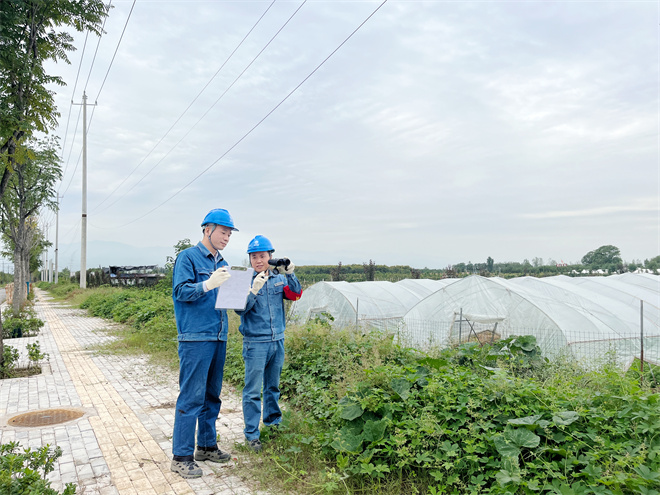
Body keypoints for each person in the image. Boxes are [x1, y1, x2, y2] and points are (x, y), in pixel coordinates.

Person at [170, 208, 238, 478]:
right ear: (207, 229)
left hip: (219, 335)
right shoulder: (187, 257)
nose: (227, 237)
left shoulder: (221, 261)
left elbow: (227, 301)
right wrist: (207, 284)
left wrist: (244, 291)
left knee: (212, 396)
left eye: (230, 233)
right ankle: (181, 456)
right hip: (196, 337)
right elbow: (180, 291)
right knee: (191, 397)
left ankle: (207, 446)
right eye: (223, 232)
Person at [235, 235, 302, 453]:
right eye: (253, 257)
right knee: (253, 390)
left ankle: (273, 424)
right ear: (250, 259)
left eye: (262, 256)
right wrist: (253, 290)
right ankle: (252, 435)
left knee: (272, 388)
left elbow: (295, 296)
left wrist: (290, 273)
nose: (258, 260)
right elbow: (240, 309)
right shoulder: (243, 280)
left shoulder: (278, 279)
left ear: (270, 257)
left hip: (277, 341)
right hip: (255, 343)